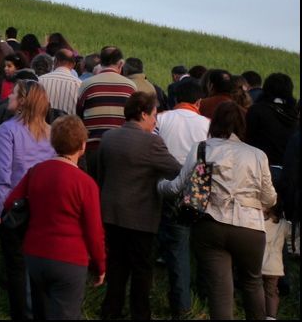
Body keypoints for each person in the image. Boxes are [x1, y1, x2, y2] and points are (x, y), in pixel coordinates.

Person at [158, 102, 277, 320]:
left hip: (210, 226)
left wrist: (159, 185)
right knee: (252, 282)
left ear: (215, 122)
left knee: (220, 291)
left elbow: (177, 187)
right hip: (250, 229)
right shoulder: (258, 155)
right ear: (243, 125)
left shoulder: (202, 148)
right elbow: (270, 198)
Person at [4, 115, 106, 320]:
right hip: (70, 260)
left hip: (35, 254)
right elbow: (94, 231)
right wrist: (100, 265)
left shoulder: (36, 172)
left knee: (40, 313)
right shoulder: (85, 184)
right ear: (82, 146)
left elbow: (10, 203)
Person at [98, 92, 181, 320]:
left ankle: (111, 310)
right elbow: (176, 169)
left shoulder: (109, 138)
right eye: (154, 115)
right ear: (143, 114)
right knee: (142, 270)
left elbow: (102, 174)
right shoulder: (152, 142)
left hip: (111, 213)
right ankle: (140, 312)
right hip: (141, 217)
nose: (155, 121)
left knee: (116, 265)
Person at [0, 81, 57, 320]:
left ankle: (21, 313)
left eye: (14, 94)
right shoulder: (52, 133)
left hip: (15, 207)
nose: (9, 97)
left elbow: (3, 175)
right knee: (38, 265)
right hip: (43, 207)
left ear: (23, 101)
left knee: (16, 266)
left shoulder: (8, 130)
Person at [153, 80, 210, 318]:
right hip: (199, 189)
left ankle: (178, 301)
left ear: (176, 98)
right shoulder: (208, 124)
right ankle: (198, 297)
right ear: (198, 102)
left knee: (173, 244)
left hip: (165, 186)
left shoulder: (162, 119)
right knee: (197, 246)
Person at [76, 46, 137, 180]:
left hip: (93, 147)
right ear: (121, 63)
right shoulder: (130, 86)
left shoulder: (87, 84)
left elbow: (79, 114)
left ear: (100, 63)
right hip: (121, 147)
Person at [38, 49, 82, 115]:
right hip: (70, 124)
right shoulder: (80, 84)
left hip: (43, 124)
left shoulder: (40, 80)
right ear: (73, 64)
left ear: (55, 61)